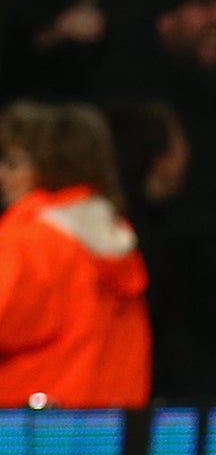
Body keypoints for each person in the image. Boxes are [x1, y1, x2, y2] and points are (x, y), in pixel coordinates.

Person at [0, 100, 151, 408]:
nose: (2, 175)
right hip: (109, 438)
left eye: (15, 163)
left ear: (52, 166)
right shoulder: (114, 241)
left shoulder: (27, 242)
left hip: (25, 441)